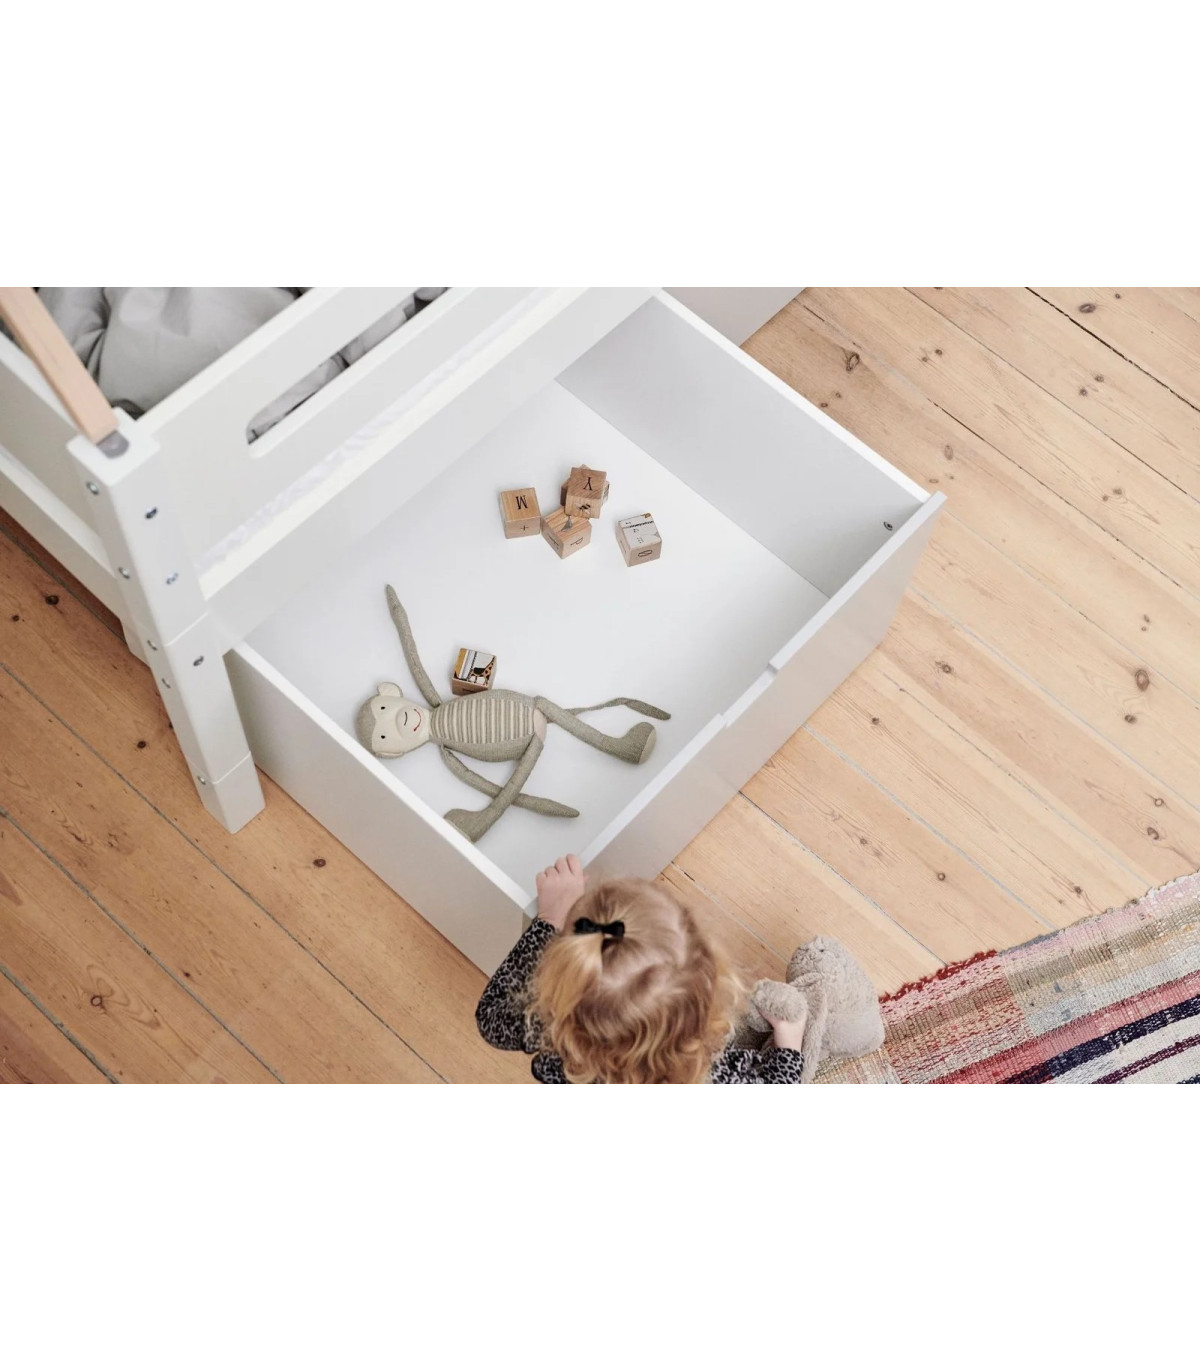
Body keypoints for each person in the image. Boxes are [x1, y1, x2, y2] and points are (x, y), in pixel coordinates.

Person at [476, 855, 807, 1083]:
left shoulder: (551, 1028)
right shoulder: (711, 1076)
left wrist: (549, 919)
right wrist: (789, 1046)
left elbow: (492, 1019)